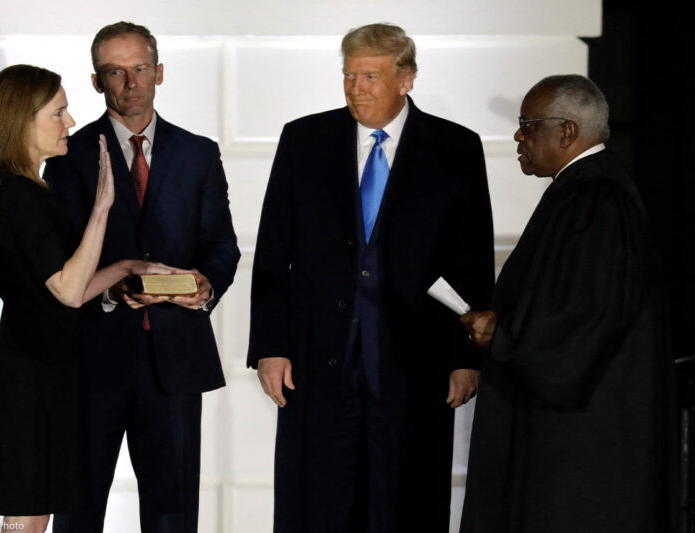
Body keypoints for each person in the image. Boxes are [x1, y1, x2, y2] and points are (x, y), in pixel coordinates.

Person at [248, 23, 495, 533]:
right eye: (349, 75)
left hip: (414, 364)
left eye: (370, 77)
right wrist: (271, 346)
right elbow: (274, 252)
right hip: (318, 363)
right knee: (319, 504)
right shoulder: (304, 140)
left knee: (404, 505)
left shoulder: (455, 148)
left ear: (406, 79)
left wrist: (466, 359)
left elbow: (471, 260)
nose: (355, 88)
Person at [459, 74, 678, 532]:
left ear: (566, 132)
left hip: (582, 445)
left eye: (527, 124)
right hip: (579, 431)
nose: (519, 136)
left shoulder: (596, 199)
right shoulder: (587, 191)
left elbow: (583, 320)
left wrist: (503, 334)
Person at [44, 22, 239, 533]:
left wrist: (206, 287)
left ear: (159, 73)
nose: (131, 82)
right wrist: (111, 290)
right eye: (115, 71)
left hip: (174, 362)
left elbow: (223, 247)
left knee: (173, 517)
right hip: (92, 364)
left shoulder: (198, 152)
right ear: (96, 81)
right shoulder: (67, 158)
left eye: (140, 69)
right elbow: (58, 265)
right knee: (78, 514)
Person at [0, 64, 168, 533]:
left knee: (37, 506)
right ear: (22, 121)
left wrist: (124, 269)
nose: (71, 122)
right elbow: (68, 289)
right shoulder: (17, 192)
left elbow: (60, 289)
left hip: (42, 367)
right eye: (58, 113)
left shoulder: (19, 189)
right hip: (33, 371)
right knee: (30, 510)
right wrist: (103, 206)